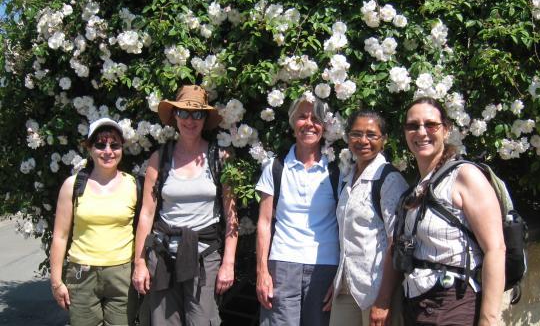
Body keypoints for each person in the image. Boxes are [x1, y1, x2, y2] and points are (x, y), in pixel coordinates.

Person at [132, 84, 238, 326]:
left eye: (198, 114)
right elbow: (147, 214)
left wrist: (228, 263)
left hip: (205, 257)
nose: (191, 120)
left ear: (205, 118)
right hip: (163, 257)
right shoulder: (159, 159)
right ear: (175, 116)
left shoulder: (220, 158)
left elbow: (232, 216)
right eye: (184, 113)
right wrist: (139, 262)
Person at [397, 97, 505, 325]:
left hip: (454, 301)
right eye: (413, 125)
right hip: (417, 303)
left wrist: (488, 319)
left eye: (431, 124)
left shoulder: (465, 175)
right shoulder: (419, 186)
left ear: (446, 130)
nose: (421, 132)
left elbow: (495, 249)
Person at [255, 95, 339, 326]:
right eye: (302, 117)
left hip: (325, 265)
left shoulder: (337, 170)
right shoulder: (275, 167)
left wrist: (339, 277)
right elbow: (263, 222)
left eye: (316, 118)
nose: (309, 123)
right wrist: (262, 271)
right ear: (293, 124)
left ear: (324, 126)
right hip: (282, 264)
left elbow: (345, 225)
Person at [50, 118, 138, 326]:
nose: (108, 151)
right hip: (82, 273)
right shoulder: (72, 186)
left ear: (121, 149)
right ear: (89, 148)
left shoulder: (133, 185)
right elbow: (60, 236)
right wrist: (56, 282)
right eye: (100, 144)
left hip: (122, 274)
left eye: (114, 145)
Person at [327, 110, 409, 326]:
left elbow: (395, 242)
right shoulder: (347, 179)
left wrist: (383, 301)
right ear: (347, 137)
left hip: (376, 290)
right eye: (356, 134)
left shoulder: (389, 180)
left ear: (384, 140)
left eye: (371, 135)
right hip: (345, 288)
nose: (363, 141)